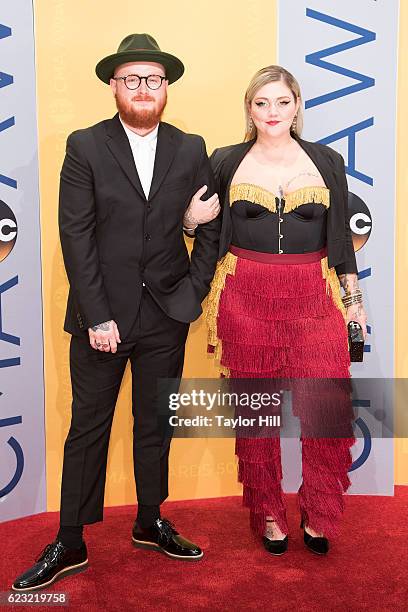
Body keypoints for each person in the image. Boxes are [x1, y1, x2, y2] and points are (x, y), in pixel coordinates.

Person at [12, 33, 220, 592]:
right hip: (102, 318)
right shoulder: (85, 146)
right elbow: (74, 234)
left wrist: (192, 295)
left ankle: (151, 520)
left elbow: (207, 224)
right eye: (132, 79)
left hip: (166, 314)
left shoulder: (191, 146)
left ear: (166, 86)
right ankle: (71, 538)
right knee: (88, 428)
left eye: (153, 79)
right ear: (114, 86)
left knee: (156, 424)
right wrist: (99, 315)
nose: (143, 88)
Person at [205, 65, 367, 555]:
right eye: (261, 103)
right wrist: (191, 224)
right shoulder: (225, 161)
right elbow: (209, 233)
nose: (271, 112)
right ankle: (269, 514)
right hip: (244, 295)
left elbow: (341, 241)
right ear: (249, 109)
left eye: (281, 102)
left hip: (314, 296)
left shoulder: (327, 160)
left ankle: (318, 512)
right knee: (257, 415)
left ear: (296, 105)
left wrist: (355, 307)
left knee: (325, 410)